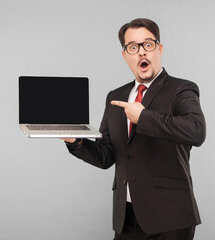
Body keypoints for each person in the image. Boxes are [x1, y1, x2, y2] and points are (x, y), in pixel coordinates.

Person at [63, 18, 206, 240]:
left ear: (159, 48)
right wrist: (75, 141)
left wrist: (143, 117)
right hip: (126, 216)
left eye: (147, 45)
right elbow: (106, 156)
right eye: (133, 47)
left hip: (171, 216)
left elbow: (196, 131)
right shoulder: (115, 97)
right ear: (125, 55)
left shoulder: (181, 89)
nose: (141, 52)